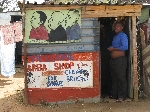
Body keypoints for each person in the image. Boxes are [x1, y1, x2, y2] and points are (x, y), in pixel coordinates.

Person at [108, 21, 128, 102]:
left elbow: (125, 47)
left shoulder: (123, 36)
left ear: (122, 27)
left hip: (120, 60)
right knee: (115, 77)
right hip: (114, 60)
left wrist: (113, 49)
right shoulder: (115, 37)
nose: (115, 28)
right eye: (115, 27)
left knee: (121, 78)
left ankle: (122, 96)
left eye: (118, 27)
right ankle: (115, 94)